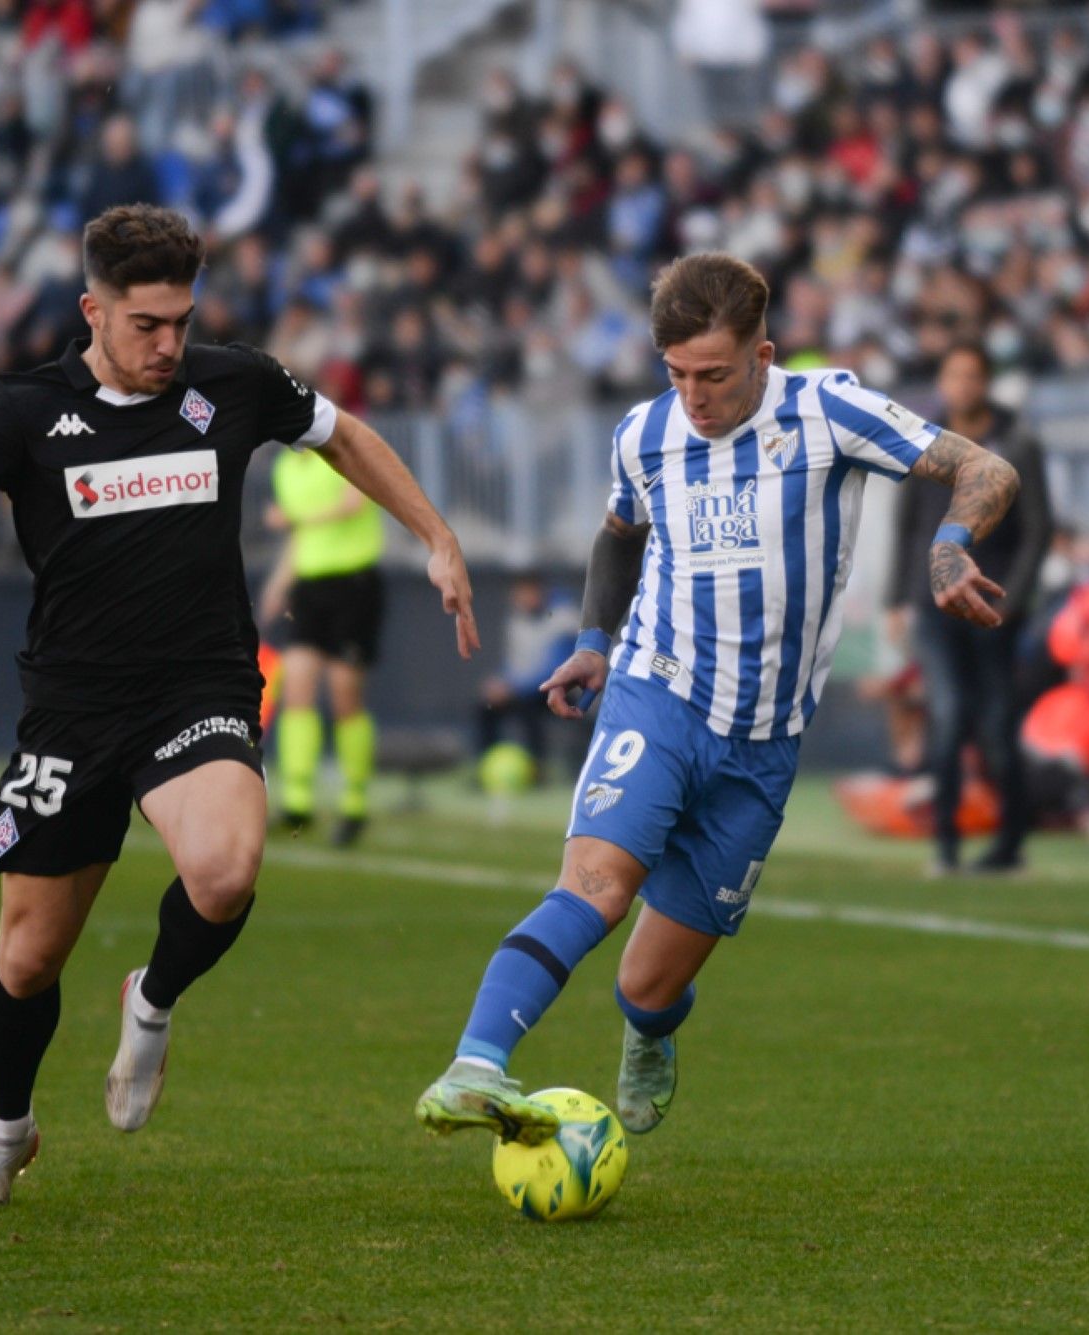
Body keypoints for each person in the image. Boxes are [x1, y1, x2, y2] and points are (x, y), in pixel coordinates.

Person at [0, 204, 479, 1210]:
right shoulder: (17, 409)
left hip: (196, 686)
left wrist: (434, 535)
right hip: (72, 708)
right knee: (28, 958)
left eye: (180, 321)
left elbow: (344, 437)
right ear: (93, 310)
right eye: (145, 325)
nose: (168, 344)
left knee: (224, 870)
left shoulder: (232, 381)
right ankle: (7, 1128)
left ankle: (151, 1002)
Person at [413, 253, 1018, 1143]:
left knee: (648, 986)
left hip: (765, 742)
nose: (695, 396)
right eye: (678, 374)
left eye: (716, 375)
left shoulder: (827, 408)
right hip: (656, 695)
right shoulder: (645, 434)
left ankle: (649, 1032)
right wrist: (592, 644)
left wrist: (951, 543)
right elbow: (619, 535)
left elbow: (985, 466)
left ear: (764, 356)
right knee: (595, 885)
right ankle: (474, 1065)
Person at [887, 342, 1051, 874]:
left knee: (999, 728)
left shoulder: (1017, 442)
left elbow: (1038, 529)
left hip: (993, 602)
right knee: (950, 715)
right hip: (934, 604)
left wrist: (1019, 597)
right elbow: (908, 526)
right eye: (953, 375)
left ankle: (1009, 846)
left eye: (972, 375)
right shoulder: (925, 442)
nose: (962, 385)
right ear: (942, 381)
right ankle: (946, 846)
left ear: (986, 381)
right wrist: (897, 597)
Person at [257, 443, 385, 846]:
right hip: (310, 588)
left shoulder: (341, 452)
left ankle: (354, 803)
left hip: (353, 583)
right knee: (295, 685)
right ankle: (298, 801)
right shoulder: (285, 469)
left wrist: (296, 517)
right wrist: (279, 584)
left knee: (344, 694)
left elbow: (353, 502)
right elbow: (299, 537)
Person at [473, 574, 576, 777]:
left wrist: (513, 688)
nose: (520, 599)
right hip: (523, 689)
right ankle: (484, 767)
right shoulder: (517, 619)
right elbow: (515, 663)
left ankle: (537, 769)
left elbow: (557, 668)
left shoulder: (563, 618)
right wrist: (500, 683)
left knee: (529, 707)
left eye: (526, 593)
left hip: (561, 690)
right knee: (486, 707)